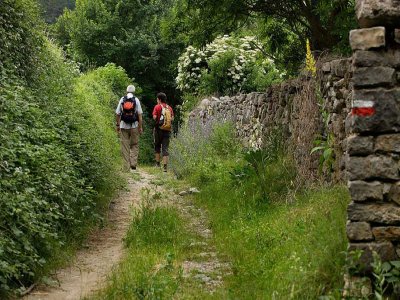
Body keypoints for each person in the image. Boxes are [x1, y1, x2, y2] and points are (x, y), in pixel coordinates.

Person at [116, 85, 143, 172]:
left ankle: (125, 167)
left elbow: (118, 113)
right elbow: (139, 115)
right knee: (134, 144)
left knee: (125, 146)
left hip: (123, 126)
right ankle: (133, 164)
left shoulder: (122, 99)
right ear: (134, 91)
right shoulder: (136, 100)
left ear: (126, 91)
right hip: (134, 126)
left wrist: (117, 125)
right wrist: (140, 127)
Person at [152, 92, 174, 172]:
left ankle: (157, 164)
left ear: (159, 99)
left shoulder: (157, 107)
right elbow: (172, 119)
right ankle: (165, 167)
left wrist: (159, 119)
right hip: (167, 130)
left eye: (157, 99)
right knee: (165, 148)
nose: (157, 100)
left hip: (158, 129)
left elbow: (154, 117)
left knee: (157, 146)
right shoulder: (169, 108)